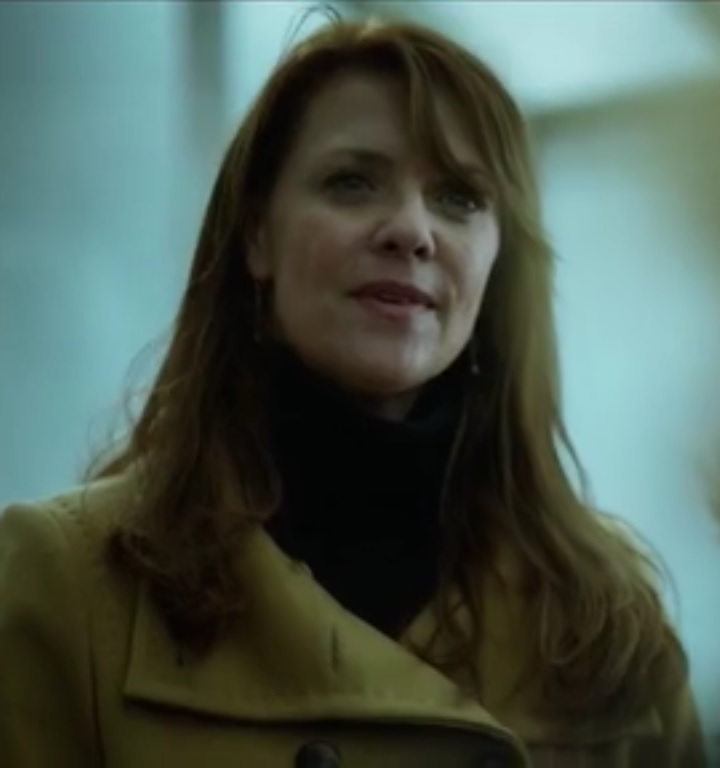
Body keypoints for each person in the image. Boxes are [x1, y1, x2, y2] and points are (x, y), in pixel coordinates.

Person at [0, 12, 708, 768]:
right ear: (257, 236)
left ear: (498, 265)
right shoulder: (63, 586)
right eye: (352, 182)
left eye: (459, 198)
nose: (411, 230)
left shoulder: (600, 620)